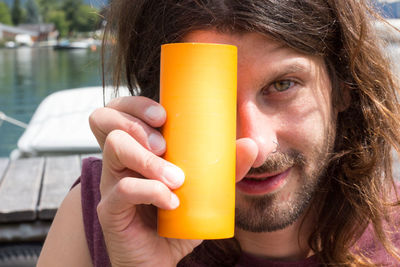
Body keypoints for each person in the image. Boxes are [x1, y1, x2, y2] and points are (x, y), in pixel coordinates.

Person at [37, 0, 400, 266]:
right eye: (208, 99)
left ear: (343, 86)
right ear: (155, 100)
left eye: (283, 84)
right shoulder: (102, 217)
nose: (254, 146)